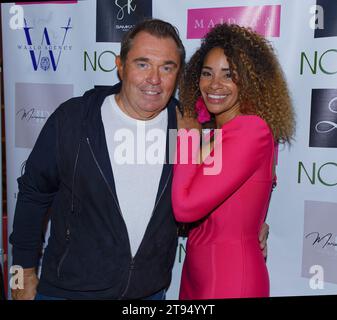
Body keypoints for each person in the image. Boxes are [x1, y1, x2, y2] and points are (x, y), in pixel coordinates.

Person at [10, 19, 269, 300]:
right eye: (143, 64)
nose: (154, 79)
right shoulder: (74, 119)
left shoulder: (186, 129)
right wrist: (19, 274)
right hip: (69, 291)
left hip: (148, 294)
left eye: (167, 67)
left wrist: (252, 224)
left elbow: (212, 193)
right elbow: (33, 192)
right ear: (121, 66)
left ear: (178, 75)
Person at [172, 23, 295, 299]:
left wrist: (187, 135)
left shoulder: (252, 130)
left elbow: (184, 208)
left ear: (250, 81)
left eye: (229, 75)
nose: (214, 84)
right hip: (195, 274)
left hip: (229, 278)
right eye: (207, 73)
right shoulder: (212, 131)